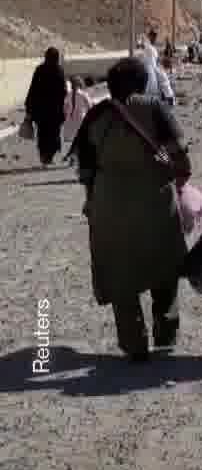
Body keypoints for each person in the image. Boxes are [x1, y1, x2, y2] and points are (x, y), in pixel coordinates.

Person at [73, 57, 191, 361]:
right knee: (164, 266)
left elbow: (85, 170)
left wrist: (95, 200)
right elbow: (179, 153)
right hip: (155, 201)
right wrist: (182, 181)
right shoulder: (154, 107)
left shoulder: (96, 115)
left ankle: (133, 343)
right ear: (143, 82)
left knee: (120, 274)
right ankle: (165, 333)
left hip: (107, 205)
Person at [24, 47, 68, 166]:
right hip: (55, 110)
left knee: (42, 133)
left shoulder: (40, 70)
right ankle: (50, 156)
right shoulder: (59, 70)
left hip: (41, 110)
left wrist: (29, 107)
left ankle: (44, 156)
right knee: (54, 133)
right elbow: (64, 91)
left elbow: (33, 89)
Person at [139, 28, 175, 104]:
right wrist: (169, 94)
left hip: (144, 89)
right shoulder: (150, 49)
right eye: (153, 36)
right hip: (151, 88)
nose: (154, 38)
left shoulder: (148, 48)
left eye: (155, 36)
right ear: (150, 36)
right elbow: (161, 75)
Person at [62, 75, 93, 161]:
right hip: (81, 118)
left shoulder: (68, 95)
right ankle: (76, 155)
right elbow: (89, 105)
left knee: (71, 139)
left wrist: (66, 116)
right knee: (81, 138)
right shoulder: (83, 94)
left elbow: (65, 107)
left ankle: (72, 155)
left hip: (70, 119)